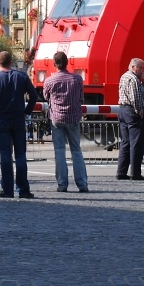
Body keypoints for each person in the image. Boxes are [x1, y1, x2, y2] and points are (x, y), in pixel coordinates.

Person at [0, 50, 38, 199]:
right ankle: (23, 189)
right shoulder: (22, 76)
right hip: (18, 118)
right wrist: (26, 111)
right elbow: (34, 95)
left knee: (5, 154)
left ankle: (7, 190)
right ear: (11, 61)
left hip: (2, 119)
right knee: (20, 155)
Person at [43, 51, 89, 193]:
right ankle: (82, 183)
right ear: (67, 62)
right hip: (74, 117)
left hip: (57, 118)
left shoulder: (50, 81)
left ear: (54, 63)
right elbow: (81, 97)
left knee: (59, 151)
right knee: (76, 150)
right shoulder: (77, 79)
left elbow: (46, 97)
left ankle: (62, 184)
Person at [115, 57, 144, 181]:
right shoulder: (133, 79)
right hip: (132, 111)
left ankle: (121, 172)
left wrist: (143, 82)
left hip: (122, 110)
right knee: (136, 143)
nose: (142, 71)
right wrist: (140, 111)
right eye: (140, 68)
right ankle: (135, 173)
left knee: (125, 142)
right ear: (134, 67)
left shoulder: (124, 76)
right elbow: (136, 98)